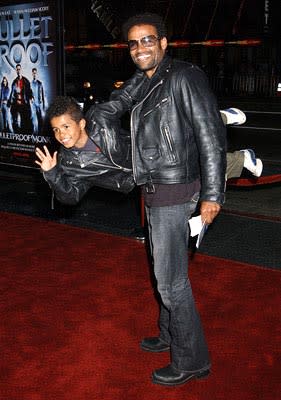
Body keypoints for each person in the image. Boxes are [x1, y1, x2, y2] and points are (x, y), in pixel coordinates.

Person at [87, 12, 226, 386]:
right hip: (155, 188)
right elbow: (118, 103)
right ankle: (169, 335)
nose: (140, 48)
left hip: (175, 190)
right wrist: (98, 114)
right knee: (161, 268)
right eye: (133, 43)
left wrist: (212, 195)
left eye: (148, 40)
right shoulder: (147, 79)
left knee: (171, 282)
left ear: (164, 43)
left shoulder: (183, 76)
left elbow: (211, 136)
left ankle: (192, 359)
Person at [34, 96, 135, 204]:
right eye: (56, 129)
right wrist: (52, 173)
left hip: (151, 159)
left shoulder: (100, 117)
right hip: (141, 186)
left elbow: (126, 94)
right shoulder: (69, 162)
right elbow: (71, 196)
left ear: (81, 124)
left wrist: (148, 78)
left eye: (66, 127)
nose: (61, 134)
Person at [8, 64, 33, 133]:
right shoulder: (14, 82)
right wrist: (9, 102)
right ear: (16, 71)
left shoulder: (25, 81)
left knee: (25, 120)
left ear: (21, 70)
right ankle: (17, 135)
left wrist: (31, 97)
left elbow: (29, 90)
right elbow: (12, 93)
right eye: (17, 69)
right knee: (15, 120)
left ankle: (24, 134)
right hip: (16, 103)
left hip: (24, 103)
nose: (18, 71)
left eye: (19, 69)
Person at [31, 67, 45, 134]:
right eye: (33, 73)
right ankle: (34, 132)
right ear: (32, 74)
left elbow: (43, 95)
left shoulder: (40, 83)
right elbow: (29, 93)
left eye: (35, 73)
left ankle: (40, 132)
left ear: (37, 74)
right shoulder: (30, 84)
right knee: (34, 119)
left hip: (39, 104)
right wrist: (31, 97)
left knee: (40, 119)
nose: (34, 74)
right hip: (33, 104)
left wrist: (43, 105)